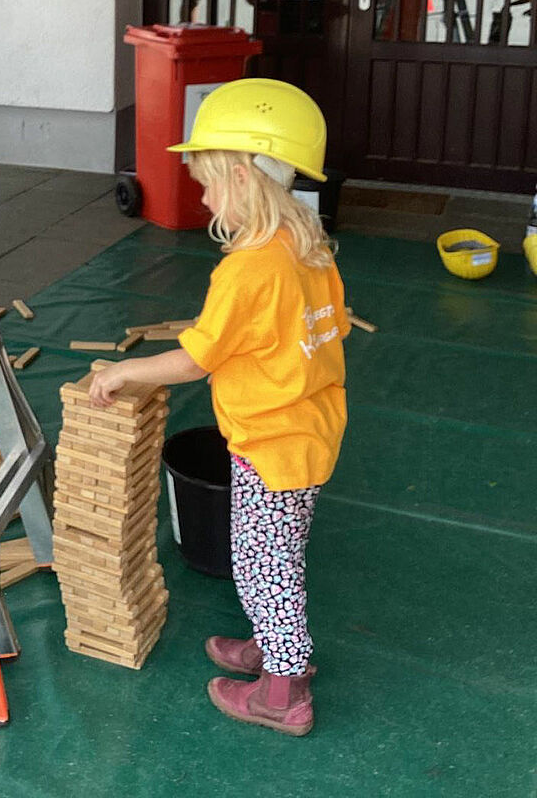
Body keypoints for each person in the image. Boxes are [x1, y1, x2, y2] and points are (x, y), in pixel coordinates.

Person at [89, 79, 349, 737]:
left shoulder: (247, 269)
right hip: (312, 431)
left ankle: (283, 690)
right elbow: (324, 328)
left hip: (269, 443)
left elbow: (193, 361)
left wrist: (124, 371)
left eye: (207, 184)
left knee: (262, 568)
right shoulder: (307, 244)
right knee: (280, 554)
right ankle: (273, 646)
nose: (203, 198)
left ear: (240, 176)